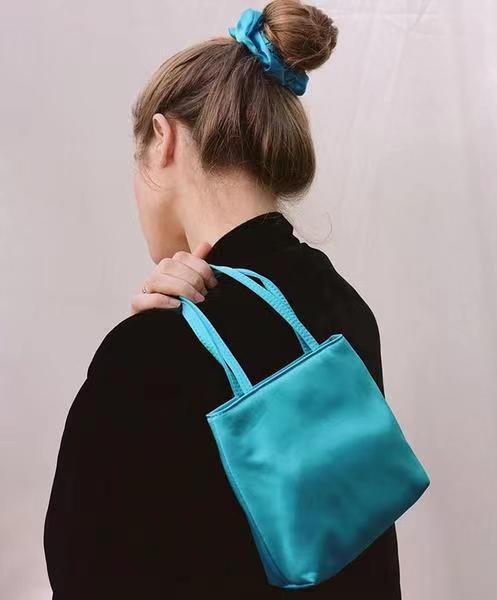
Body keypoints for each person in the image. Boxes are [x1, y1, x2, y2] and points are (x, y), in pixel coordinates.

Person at [44, 1, 402, 598]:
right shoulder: (345, 308)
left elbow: (84, 572)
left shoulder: (149, 352)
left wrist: (140, 349)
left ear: (163, 140)